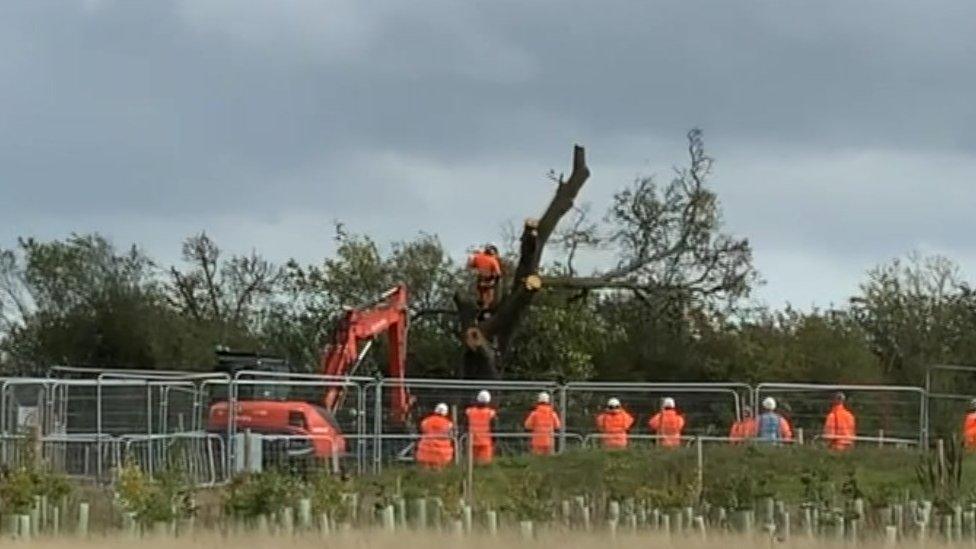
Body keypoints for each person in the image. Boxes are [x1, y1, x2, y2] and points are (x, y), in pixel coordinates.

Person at [416, 403, 454, 469]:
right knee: (439, 470)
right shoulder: (448, 423)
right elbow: (450, 435)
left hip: (426, 451)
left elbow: (423, 430)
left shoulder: (426, 421)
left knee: (426, 470)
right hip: (442, 452)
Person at [524, 391, 562, 455]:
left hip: (537, 441)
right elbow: (558, 425)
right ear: (548, 401)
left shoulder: (534, 413)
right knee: (549, 462)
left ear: (538, 401)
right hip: (549, 441)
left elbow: (527, 425)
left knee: (538, 462)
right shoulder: (552, 413)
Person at [465, 390, 497, 465]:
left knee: (472, 465)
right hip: (485, 441)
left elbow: (465, 425)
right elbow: (494, 428)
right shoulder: (490, 413)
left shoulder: (470, 411)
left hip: (472, 440)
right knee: (484, 464)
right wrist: (494, 440)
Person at [467, 244, 502, 310]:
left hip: (480, 280)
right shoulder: (493, 260)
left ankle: (480, 306)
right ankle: (485, 308)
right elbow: (498, 274)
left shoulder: (478, 257)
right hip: (488, 280)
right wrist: (494, 281)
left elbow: (471, 265)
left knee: (481, 295)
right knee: (489, 298)